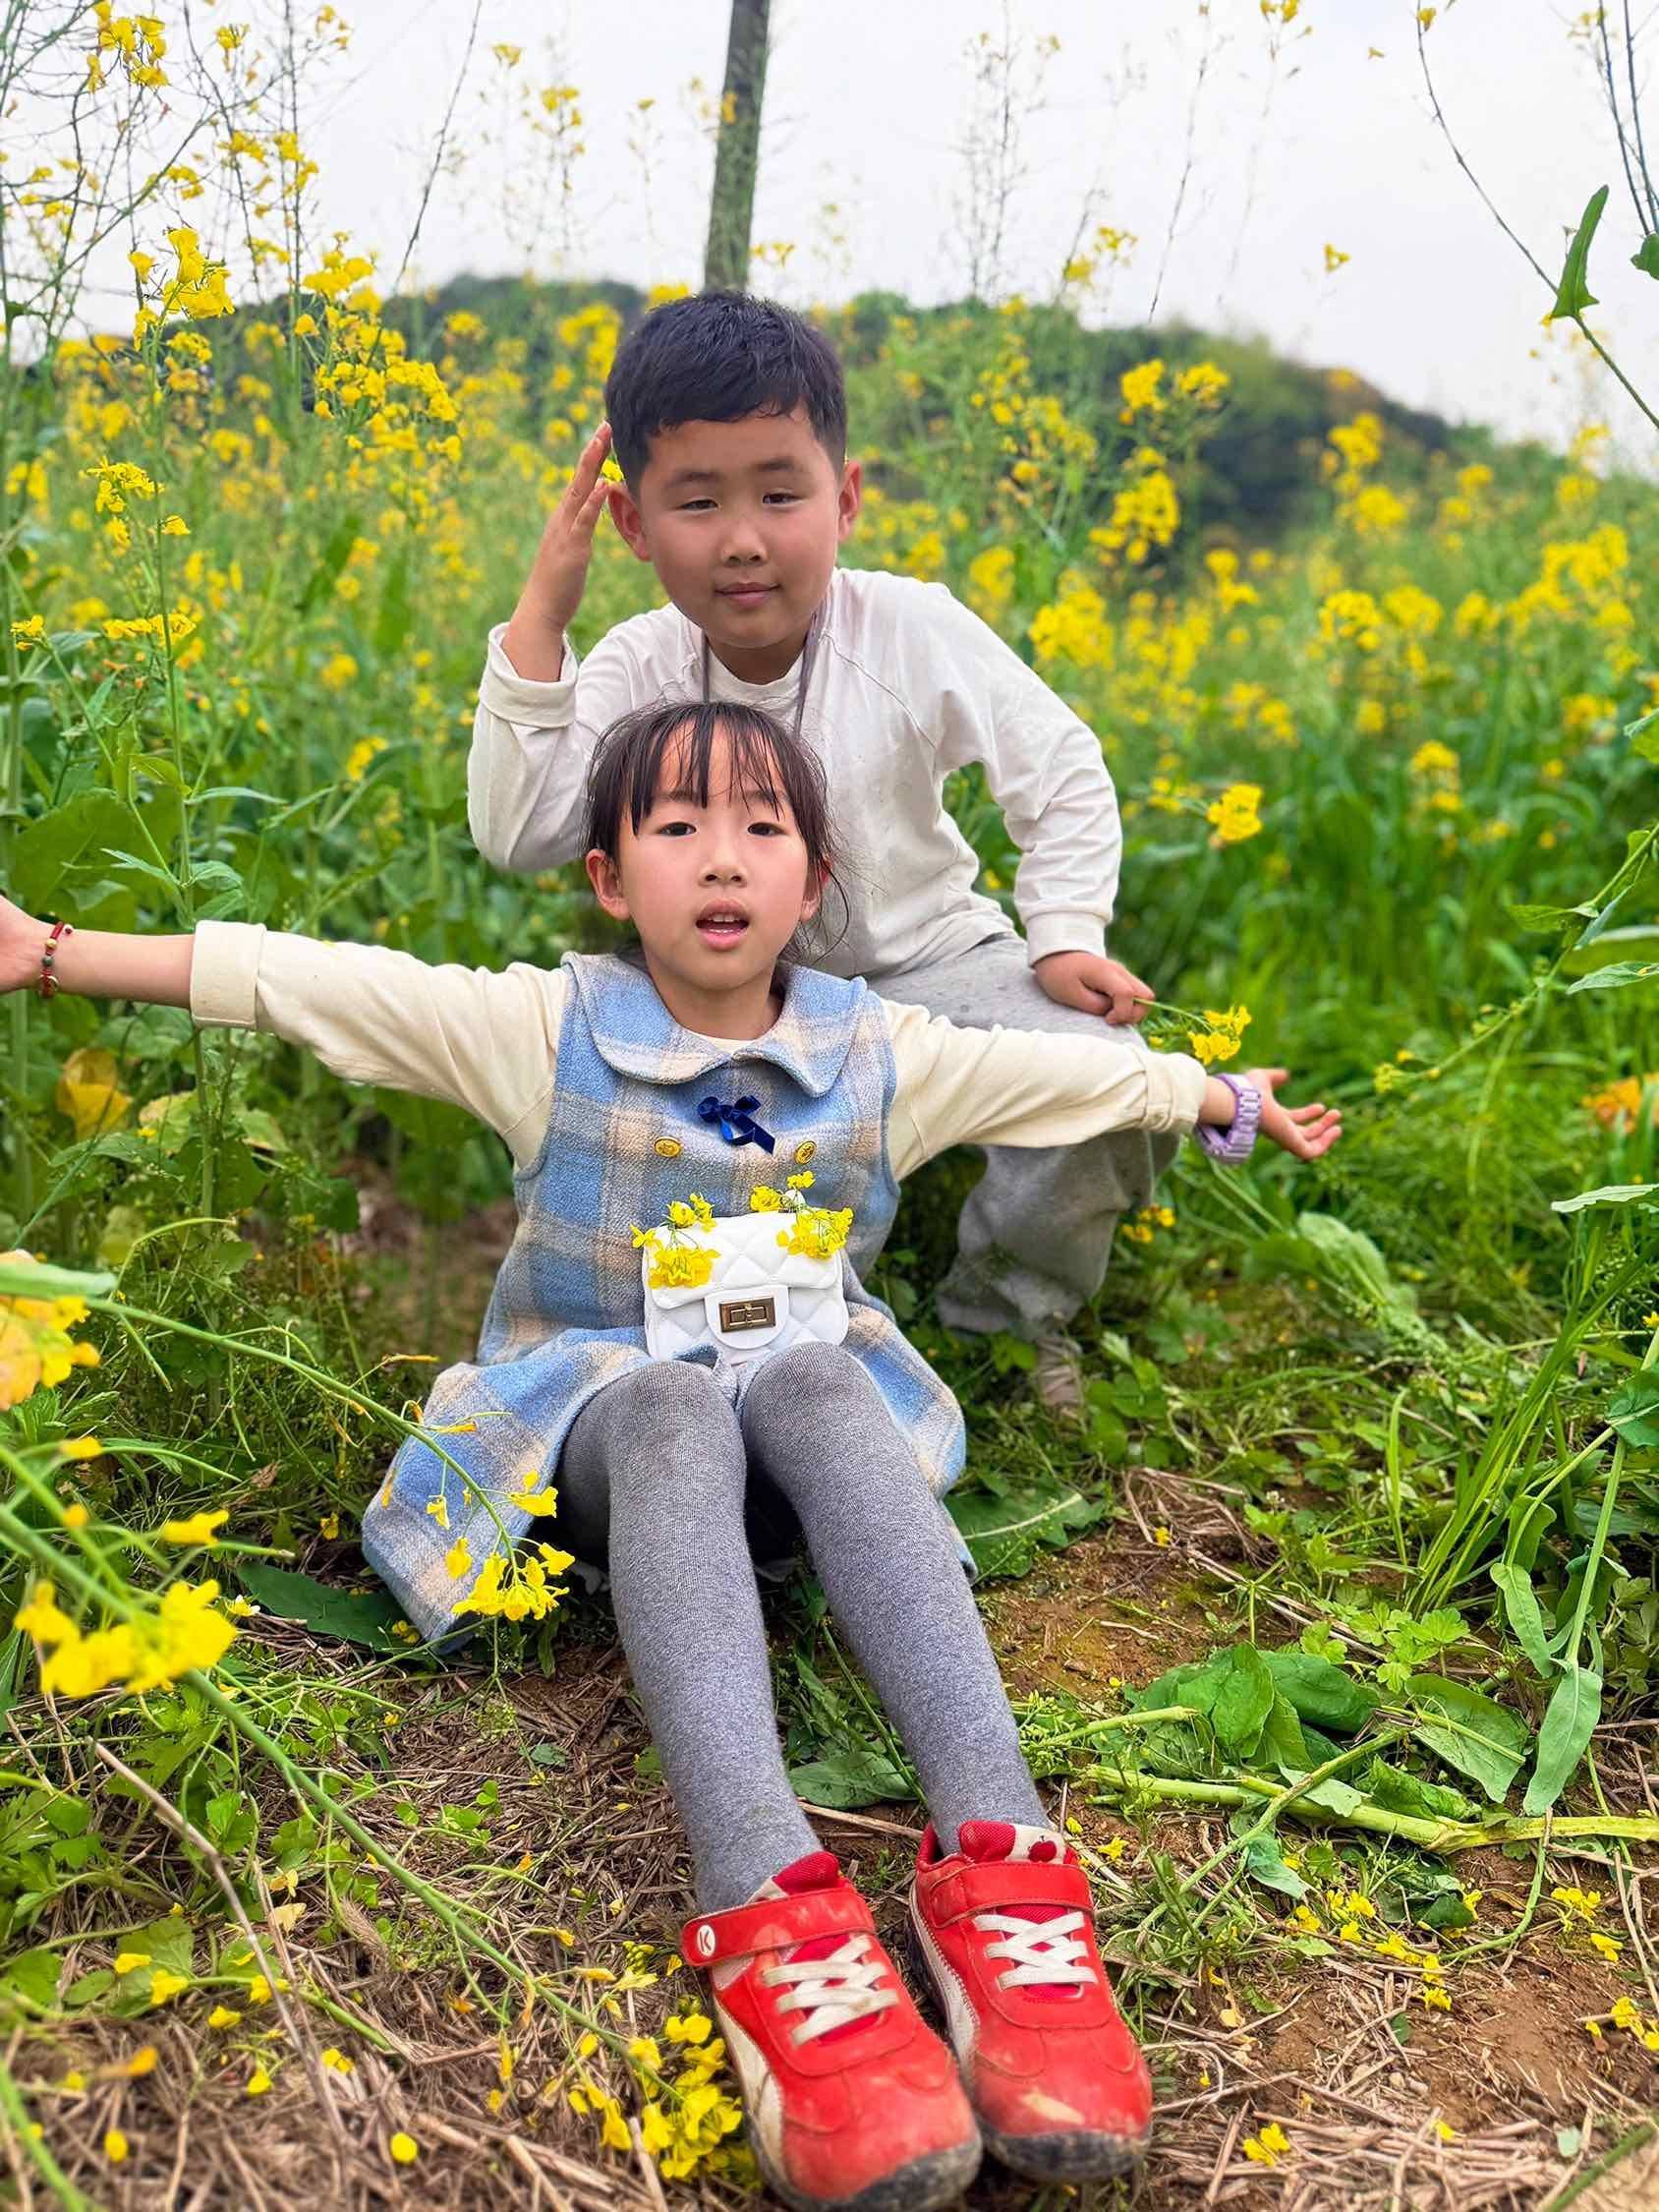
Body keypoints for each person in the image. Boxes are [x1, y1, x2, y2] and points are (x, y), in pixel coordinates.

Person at [1, 700, 1339, 2212]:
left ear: (816, 878)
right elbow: (324, 984)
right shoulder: (547, 1030)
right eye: (678, 826)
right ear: (607, 875)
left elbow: (1054, 1078)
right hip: (605, 1439)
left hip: (796, 1443)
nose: (724, 858)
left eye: (763, 827)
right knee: (673, 1406)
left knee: (826, 1383)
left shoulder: (875, 1050)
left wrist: (1217, 1096)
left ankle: (1008, 1864)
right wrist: (48, 946)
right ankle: (767, 1901)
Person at [468, 289, 1175, 1419]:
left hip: (928, 965)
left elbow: (1061, 768)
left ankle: (1001, 1322)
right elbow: (521, 831)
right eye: (696, 502)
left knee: (1106, 1083)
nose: (742, 539)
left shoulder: (907, 627)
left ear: (843, 500)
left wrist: (1063, 937)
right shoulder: (637, 660)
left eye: (779, 494)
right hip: (723, 1002)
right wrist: (543, 614)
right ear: (634, 527)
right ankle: (733, 1327)